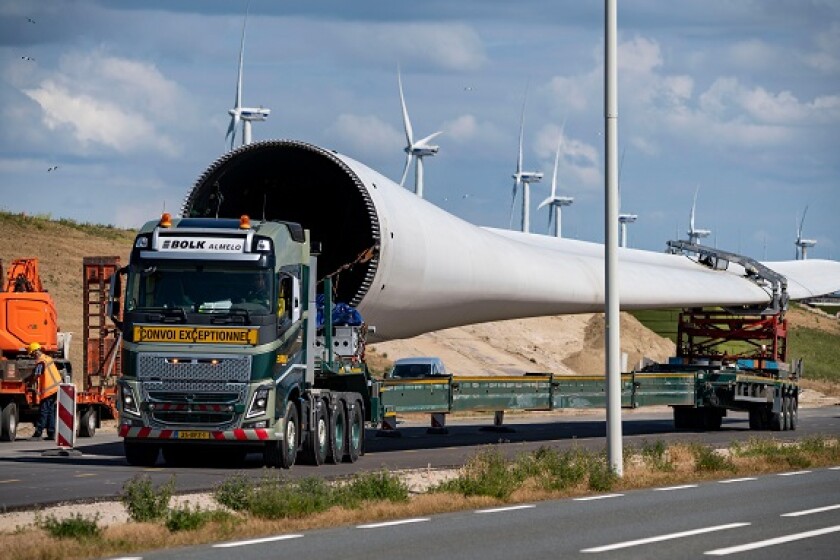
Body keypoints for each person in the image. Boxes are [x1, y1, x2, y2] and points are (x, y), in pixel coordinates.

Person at [28, 342, 62, 439]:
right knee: (50, 411)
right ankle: (51, 433)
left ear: (35, 352)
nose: (32, 356)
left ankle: (38, 432)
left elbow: (36, 375)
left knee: (44, 411)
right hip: (55, 388)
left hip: (49, 390)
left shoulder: (41, 362)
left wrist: (29, 382)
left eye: (32, 354)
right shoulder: (47, 358)